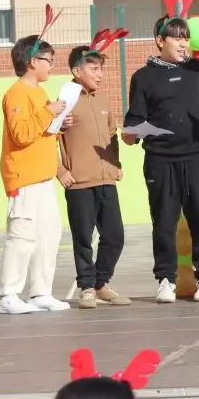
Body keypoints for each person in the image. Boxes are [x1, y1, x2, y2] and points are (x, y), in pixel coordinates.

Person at [123, 0, 199, 304]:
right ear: (160, 41)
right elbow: (135, 118)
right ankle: (165, 279)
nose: (183, 43)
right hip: (160, 161)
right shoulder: (143, 77)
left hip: (197, 158)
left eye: (186, 37)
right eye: (176, 38)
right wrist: (132, 133)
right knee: (164, 222)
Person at [0, 15, 71, 314]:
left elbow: (40, 131)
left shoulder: (39, 92)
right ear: (32, 62)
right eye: (48, 60)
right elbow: (22, 133)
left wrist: (59, 123)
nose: (51, 65)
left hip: (43, 176)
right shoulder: (17, 93)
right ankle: (7, 295)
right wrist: (49, 112)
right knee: (22, 236)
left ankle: (40, 292)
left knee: (48, 235)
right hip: (24, 176)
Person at [59, 31, 130, 310]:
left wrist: (116, 164)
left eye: (101, 68)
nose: (100, 74)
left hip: (106, 180)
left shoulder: (103, 99)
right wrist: (60, 171)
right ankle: (87, 287)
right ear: (77, 71)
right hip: (78, 182)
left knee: (115, 236)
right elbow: (49, 137)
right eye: (94, 69)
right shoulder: (64, 99)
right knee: (83, 238)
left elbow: (112, 135)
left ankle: (102, 283)